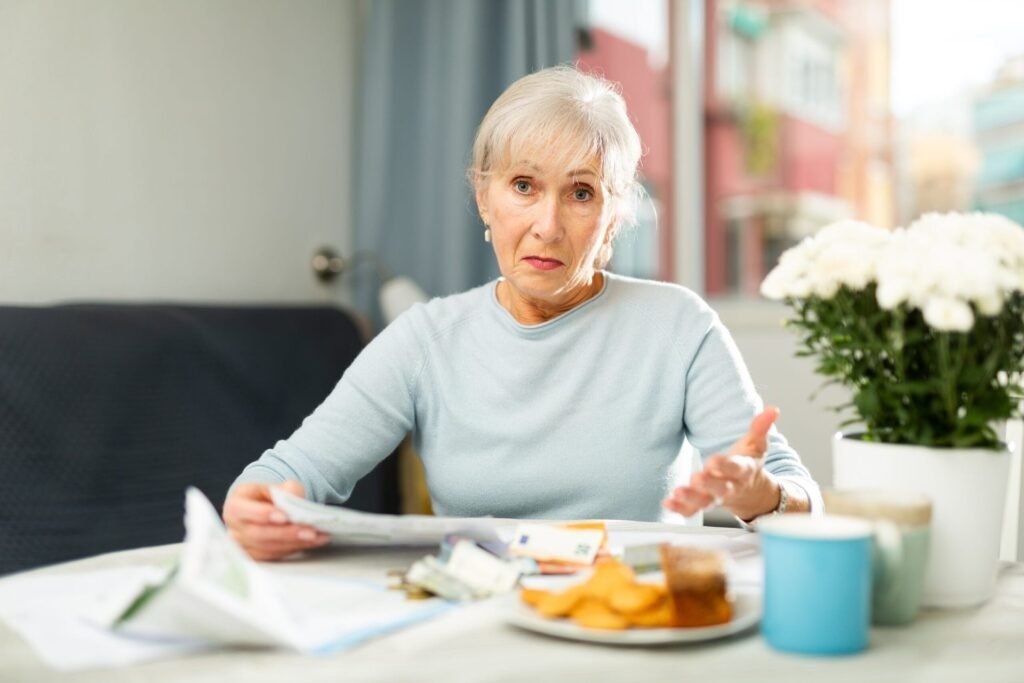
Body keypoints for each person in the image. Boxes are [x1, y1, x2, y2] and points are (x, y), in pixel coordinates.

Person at [224, 66, 822, 561]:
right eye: (523, 185)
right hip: (479, 620)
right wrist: (254, 506)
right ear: (484, 196)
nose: (548, 224)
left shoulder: (679, 326)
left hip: (634, 626)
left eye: (582, 193)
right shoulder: (426, 339)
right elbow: (288, 471)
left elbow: (800, 494)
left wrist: (761, 495)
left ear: (614, 218)